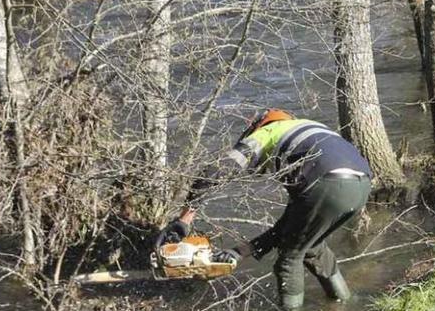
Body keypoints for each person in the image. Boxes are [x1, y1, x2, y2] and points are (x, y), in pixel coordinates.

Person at [155, 110, 372, 310]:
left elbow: (216, 170)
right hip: (362, 185)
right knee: (311, 245)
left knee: (289, 258)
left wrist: (184, 219)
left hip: (326, 182)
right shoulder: (309, 132)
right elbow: (288, 225)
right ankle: (344, 302)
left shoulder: (268, 131)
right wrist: (241, 252)